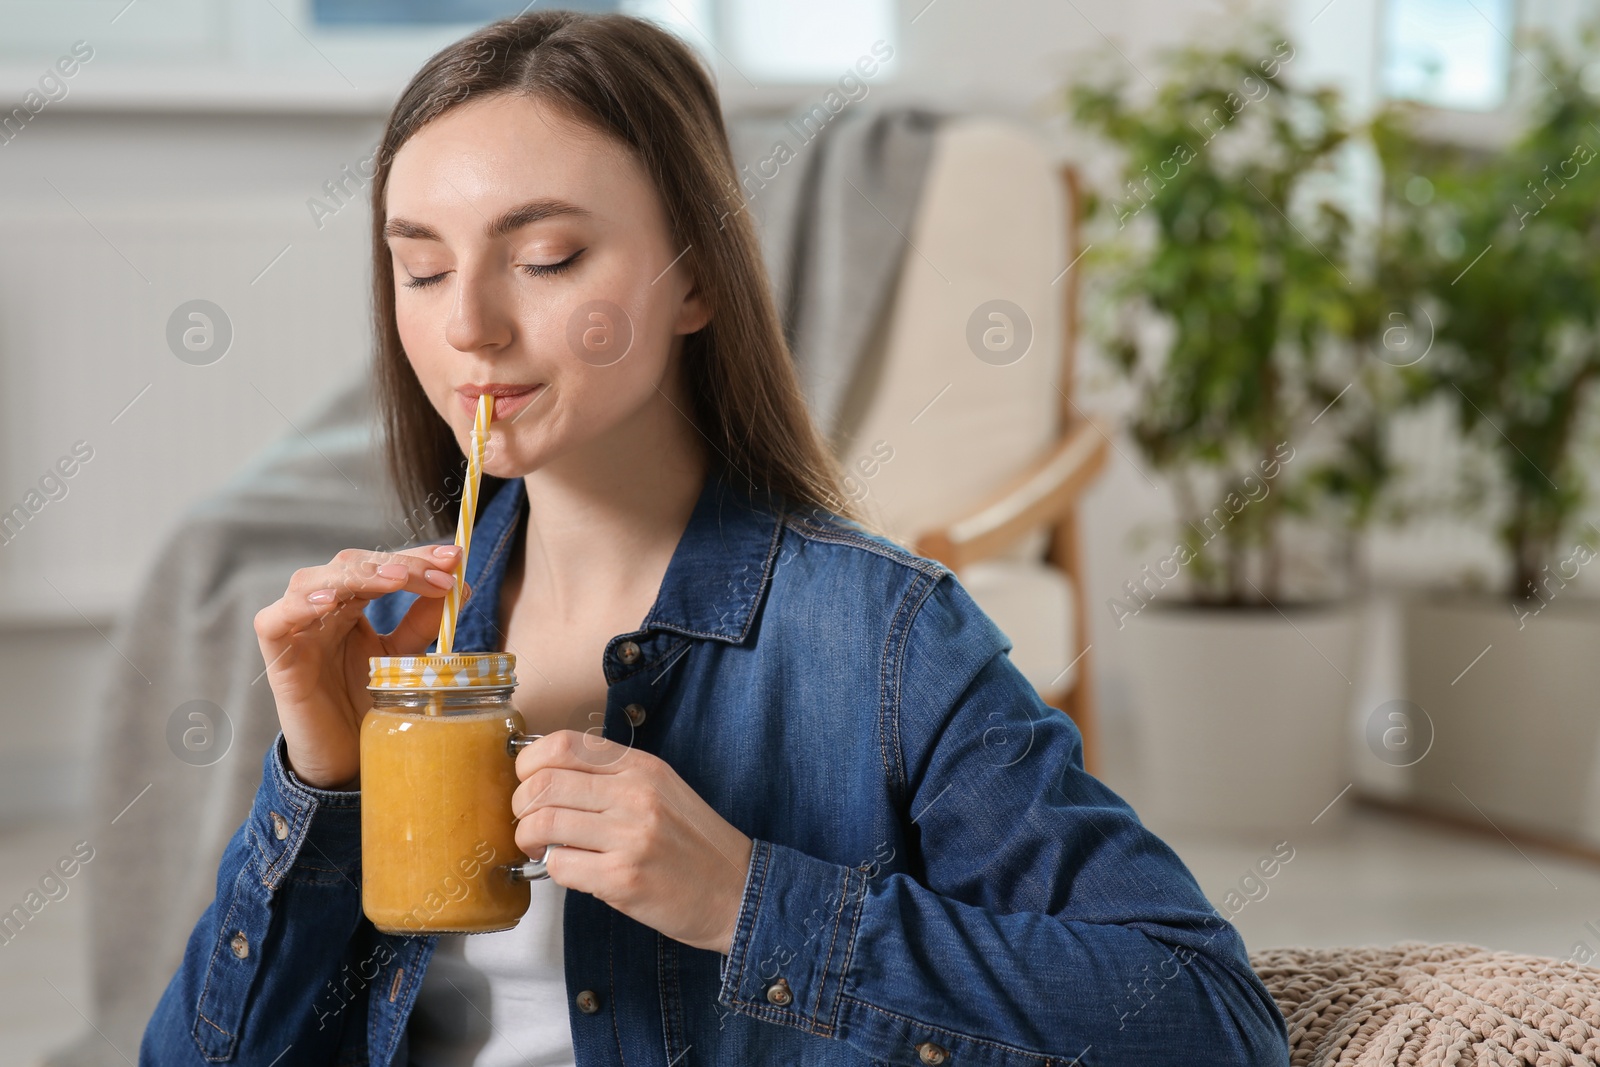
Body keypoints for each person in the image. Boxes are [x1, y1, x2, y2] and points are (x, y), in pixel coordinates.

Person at [141, 10, 1290, 1066]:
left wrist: (746, 898)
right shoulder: (400, 636)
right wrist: (319, 785)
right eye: (422, 267)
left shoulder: (881, 640)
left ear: (695, 277)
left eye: (544, 259)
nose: (468, 326)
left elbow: (1205, 1016)